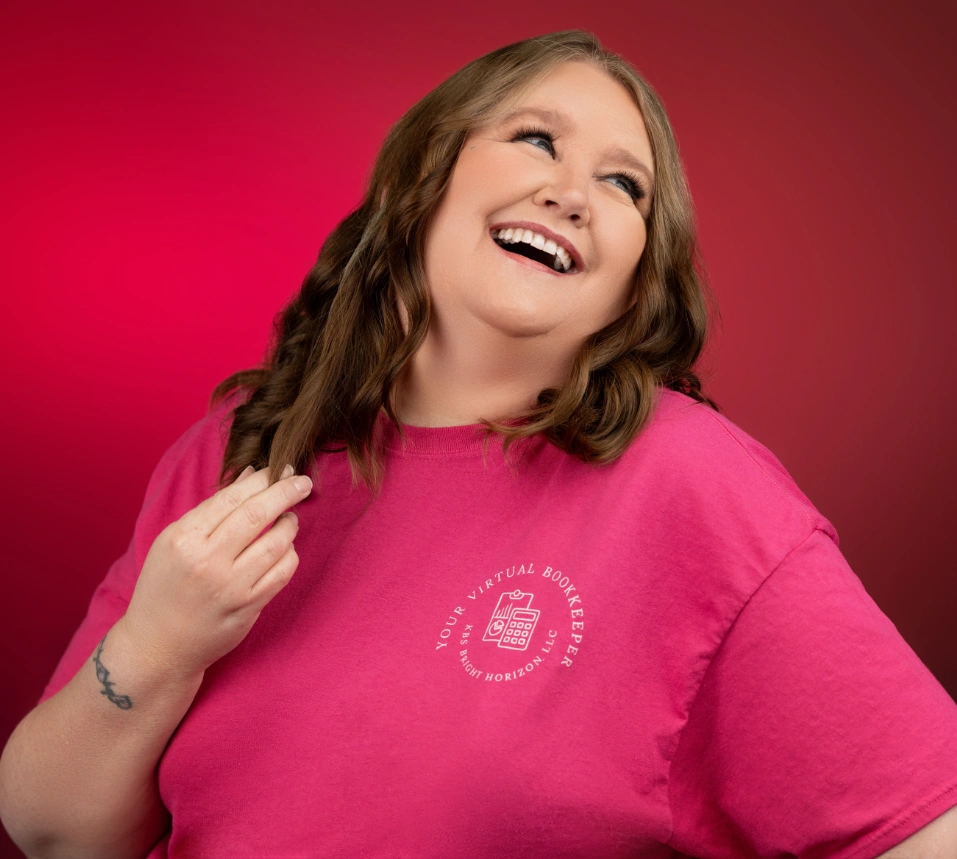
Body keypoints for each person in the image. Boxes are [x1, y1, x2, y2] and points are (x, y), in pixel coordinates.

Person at [1, 29, 955, 859]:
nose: (573, 193)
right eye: (536, 139)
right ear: (424, 176)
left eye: (623, 185)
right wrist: (159, 643)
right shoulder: (237, 453)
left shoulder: (694, 487)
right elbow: (58, 831)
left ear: (634, 282)